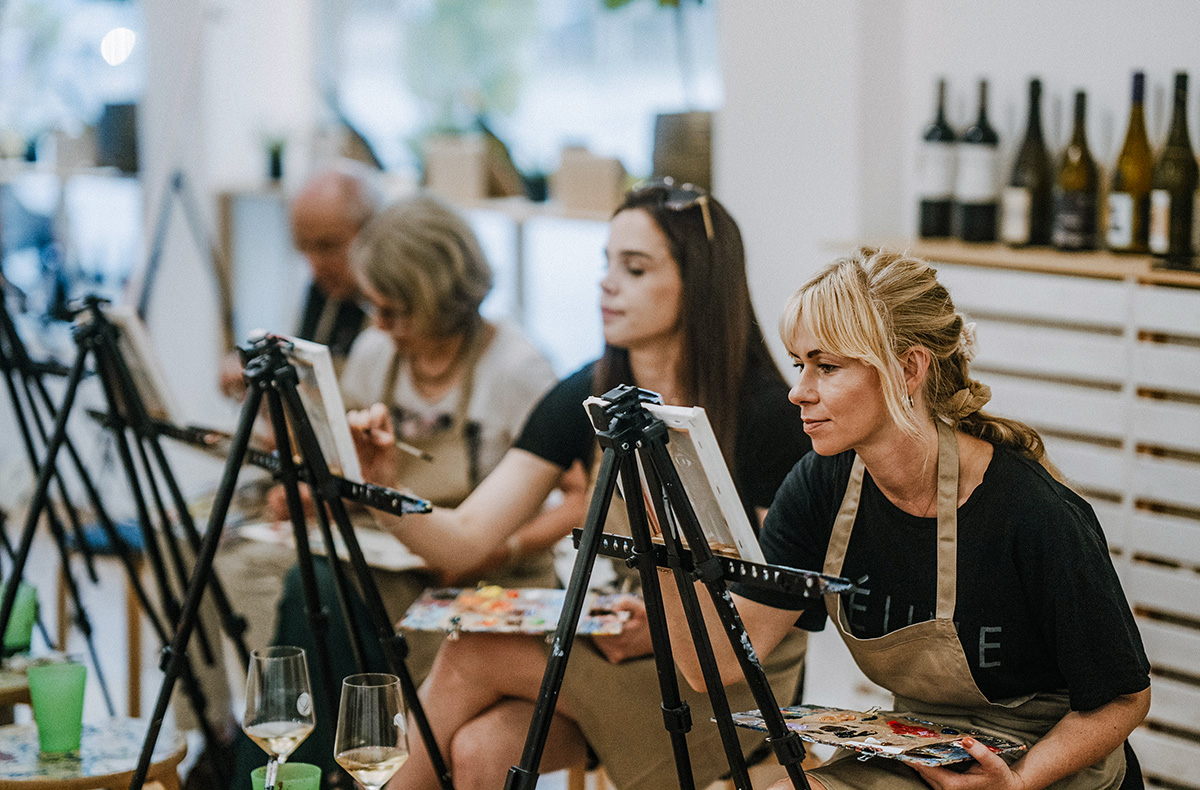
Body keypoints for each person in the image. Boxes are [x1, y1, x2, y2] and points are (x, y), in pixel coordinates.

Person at [347, 180, 813, 790]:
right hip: (622, 650)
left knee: (472, 651)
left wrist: (662, 624)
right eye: (606, 263)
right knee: (482, 748)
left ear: (699, 284)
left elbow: (765, 609)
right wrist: (378, 488)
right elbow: (464, 540)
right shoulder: (587, 395)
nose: (606, 284)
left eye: (634, 268)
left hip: (729, 685)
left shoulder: (770, 415)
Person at [662, 247, 1151, 790]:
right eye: (800, 365)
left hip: (1045, 764)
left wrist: (1016, 782)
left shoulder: (1033, 512)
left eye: (827, 367)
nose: (798, 391)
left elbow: (1125, 700)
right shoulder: (822, 485)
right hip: (923, 749)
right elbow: (716, 666)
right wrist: (668, 547)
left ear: (908, 369)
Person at [237, 193, 579, 785]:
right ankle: (297, 773)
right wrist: (326, 494)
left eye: (394, 312)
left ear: (438, 301)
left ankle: (358, 768)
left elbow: (578, 497)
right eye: (374, 308)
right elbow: (353, 466)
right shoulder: (378, 353)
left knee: (334, 608)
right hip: (399, 559)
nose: (379, 325)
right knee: (309, 589)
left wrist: (504, 546)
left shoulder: (516, 370)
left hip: (492, 574)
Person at [218, 159, 381, 400]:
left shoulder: (393, 316)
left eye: (327, 246)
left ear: (374, 233)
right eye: (304, 248)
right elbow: (302, 379)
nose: (315, 266)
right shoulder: (323, 294)